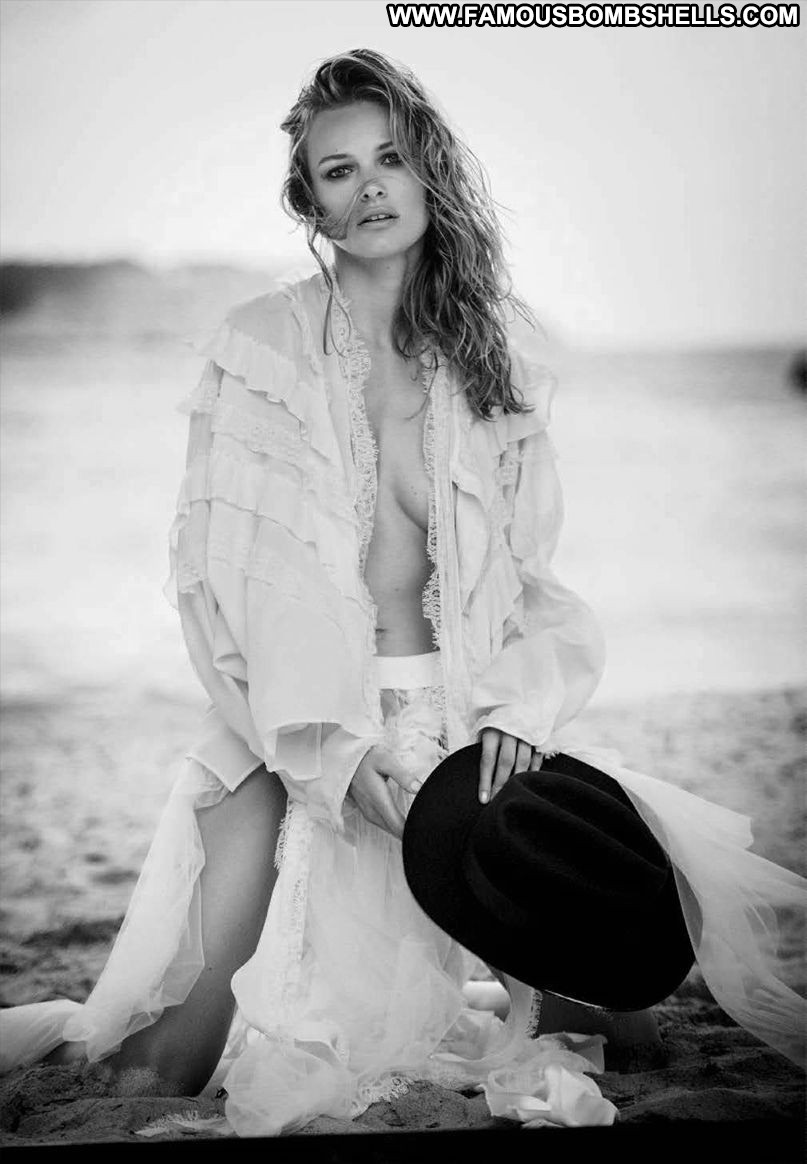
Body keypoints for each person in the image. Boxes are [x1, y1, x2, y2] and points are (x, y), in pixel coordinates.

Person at [1, 49, 804, 1137]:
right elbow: (225, 595)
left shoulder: (487, 362)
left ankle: (505, 968)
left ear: (429, 173)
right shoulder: (260, 347)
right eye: (338, 171)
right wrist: (332, 749)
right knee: (179, 1057)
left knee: (627, 1026)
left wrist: (516, 709)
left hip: (460, 720)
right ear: (310, 203)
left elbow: (533, 588)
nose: (370, 186)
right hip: (302, 719)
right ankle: (272, 963)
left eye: (390, 158)